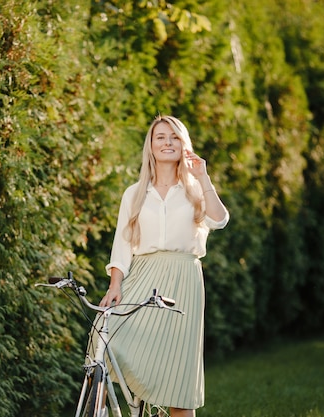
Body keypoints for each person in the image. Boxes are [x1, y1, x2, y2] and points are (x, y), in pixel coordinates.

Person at [98, 115, 229, 417]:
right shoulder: (135, 193)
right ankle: (109, 409)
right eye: (160, 137)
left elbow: (219, 220)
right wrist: (115, 284)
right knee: (103, 340)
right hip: (142, 276)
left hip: (184, 281)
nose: (167, 142)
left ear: (184, 145)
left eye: (174, 137)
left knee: (178, 381)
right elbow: (122, 243)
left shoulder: (195, 189)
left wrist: (204, 177)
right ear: (151, 146)